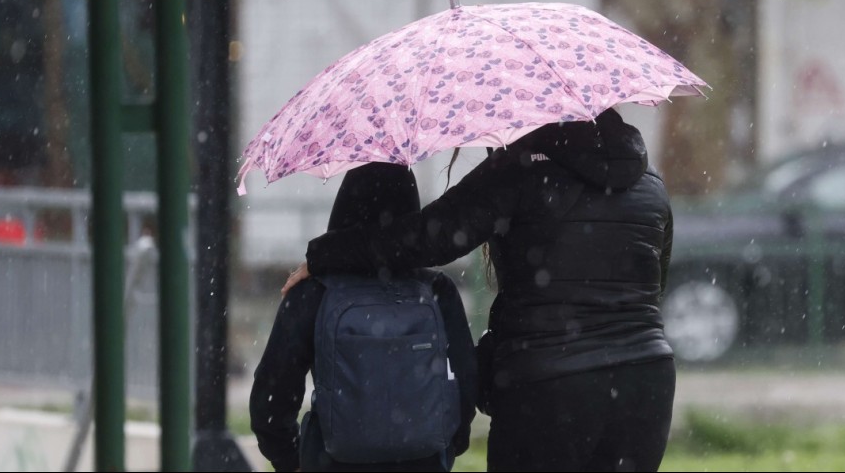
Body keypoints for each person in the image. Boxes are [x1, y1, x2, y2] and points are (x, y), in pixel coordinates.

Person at [284, 109, 676, 472]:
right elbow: (655, 283)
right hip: (647, 381)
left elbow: (429, 237)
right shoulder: (651, 182)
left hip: (547, 385)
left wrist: (327, 253)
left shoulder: (521, 167)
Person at [250, 163, 477, 473]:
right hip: (422, 461)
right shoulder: (437, 290)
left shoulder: (314, 292)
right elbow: (466, 381)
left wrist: (288, 459)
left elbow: (272, 393)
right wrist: (448, 445)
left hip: (332, 462)